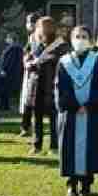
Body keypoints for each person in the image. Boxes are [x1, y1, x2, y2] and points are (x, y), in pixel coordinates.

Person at [56, 26, 98, 196]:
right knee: (69, 147)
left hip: (92, 112)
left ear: (90, 40)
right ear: (71, 39)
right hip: (71, 113)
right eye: (77, 36)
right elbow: (61, 88)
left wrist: (89, 105)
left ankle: (86, 184)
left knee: (90, 147)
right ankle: (72, 184)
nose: (80, 40)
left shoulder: (97, 61)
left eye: (84, 36)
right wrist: (74, 106)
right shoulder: (64, 62)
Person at [23, 17, 69, 154]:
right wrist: (28, 62)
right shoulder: (38, 44)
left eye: (40, 28)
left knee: (54, 117)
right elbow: (29, 55)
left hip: (52, 85)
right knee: (36, 117)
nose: (37, 31)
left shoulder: (61, 45)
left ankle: (54, 146)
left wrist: (41, 61)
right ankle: (36, 145)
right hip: (36, 84)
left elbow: (62, 61)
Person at [19, 13, 43, 137]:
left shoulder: (41, 37)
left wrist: (32, 61)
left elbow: (40, 53)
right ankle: (25, 126)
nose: (28, 25)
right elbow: (27, 51)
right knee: (26, 99)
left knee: (32, 100)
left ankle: (29, 126)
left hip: (36, 72)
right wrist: (26, 60)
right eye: (28, 22)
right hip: (29, 71)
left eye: (31, 22)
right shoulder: (31, 37)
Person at [0, 33, 24, 111]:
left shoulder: (13, 48)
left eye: (8, 38)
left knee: (4, 89)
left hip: (8, 72)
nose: (6, 39)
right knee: (6, 89)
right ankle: (5, 105)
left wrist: (3, 70)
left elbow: (9, 61)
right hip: (11, 72)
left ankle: (3, 106)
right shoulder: (16, 48)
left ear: (11, 39)